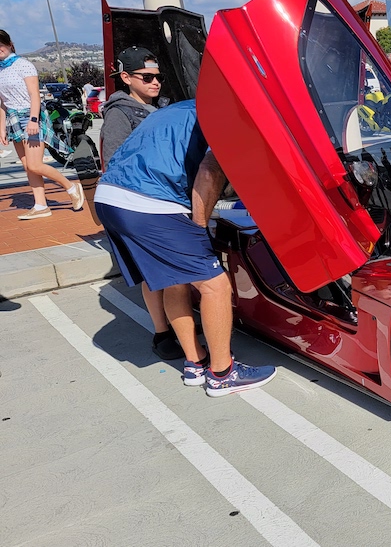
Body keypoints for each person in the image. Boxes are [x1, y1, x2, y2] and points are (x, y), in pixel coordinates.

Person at [94, 100, 277, 396]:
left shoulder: (182, 110)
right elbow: (209, 173)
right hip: (149, 202)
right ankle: (222, 374)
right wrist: (198, 228)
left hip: (110, 198)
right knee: (214, 285)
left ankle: (195, 363)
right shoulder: (228, 115)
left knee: (175, 279)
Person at [98, 46, 190, 360]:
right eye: (147, 77)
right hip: (142, 203)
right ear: (125, 77)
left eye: (158, 77)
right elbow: (114, 162)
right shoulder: (119, 113)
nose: (156, 82)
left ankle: (180, 326)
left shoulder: (161, 108)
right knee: (155, 274)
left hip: (168, 201)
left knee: (172, 273)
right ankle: (162, 334)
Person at [0, 30, 83, 220]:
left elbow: (34, 95)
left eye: (0, 47)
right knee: (27, 166)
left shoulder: (24, 65)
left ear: (9, 44)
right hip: (13, 119)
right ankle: (41, 205)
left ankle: (71, 187)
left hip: (30, 115)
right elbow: (3, 102)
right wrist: (2, 127)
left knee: (35, 164)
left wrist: (33, 119)